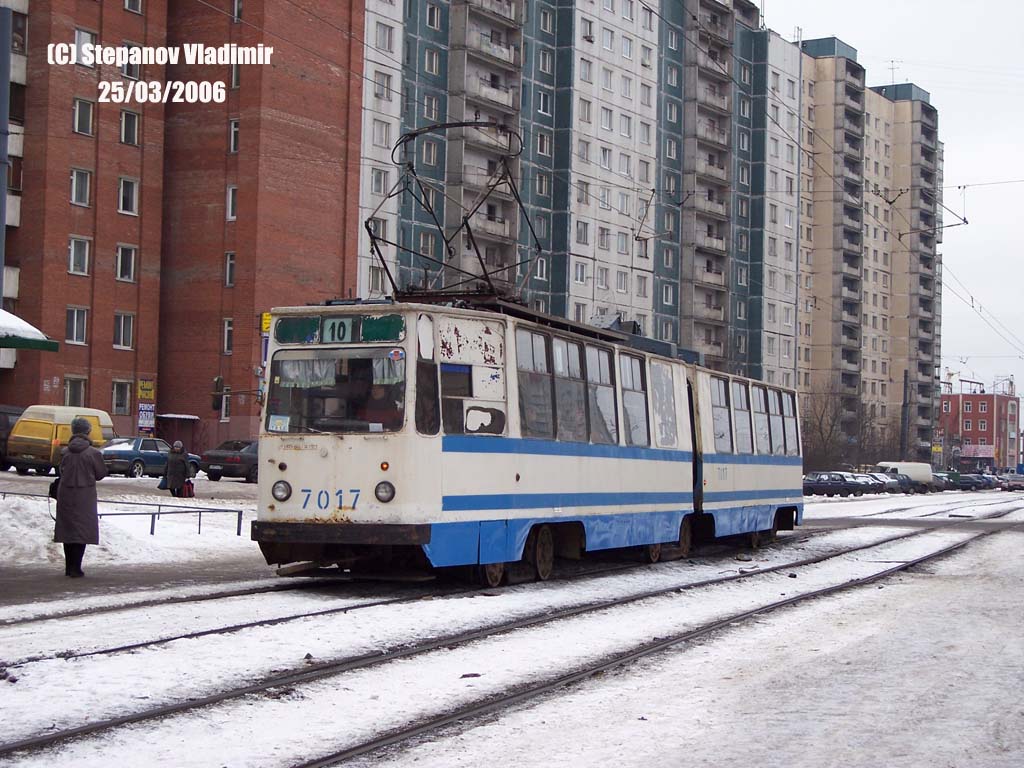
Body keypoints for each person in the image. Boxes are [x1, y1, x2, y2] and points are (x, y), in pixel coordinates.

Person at [54, 417, 107, 578]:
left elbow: (60, 471)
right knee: (81, 530)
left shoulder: (64, 452)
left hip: (65, 495)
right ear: (87, 431)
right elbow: (100, 474)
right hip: (85, 496)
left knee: (67, 529)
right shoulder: (93, 453)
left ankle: (69, 567)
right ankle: (76, 568)